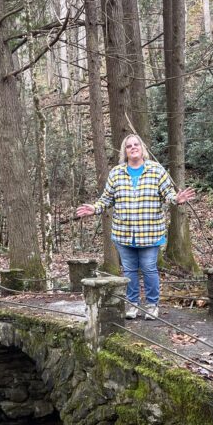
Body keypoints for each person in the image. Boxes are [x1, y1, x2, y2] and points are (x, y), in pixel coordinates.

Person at [76, 133, 195, 320]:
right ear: (125, 151)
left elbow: (168, 194)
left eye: (136, 145)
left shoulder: (156, 170)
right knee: (129, 271)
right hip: (124, 234)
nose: (133, 148)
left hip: (150, 233)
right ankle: (132, 305)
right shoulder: (117, 173)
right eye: (129, 146)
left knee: (149, 269)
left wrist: (177, 199)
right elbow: (107, 199)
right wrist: (94, 208)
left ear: (142, 149)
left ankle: (151, 305)